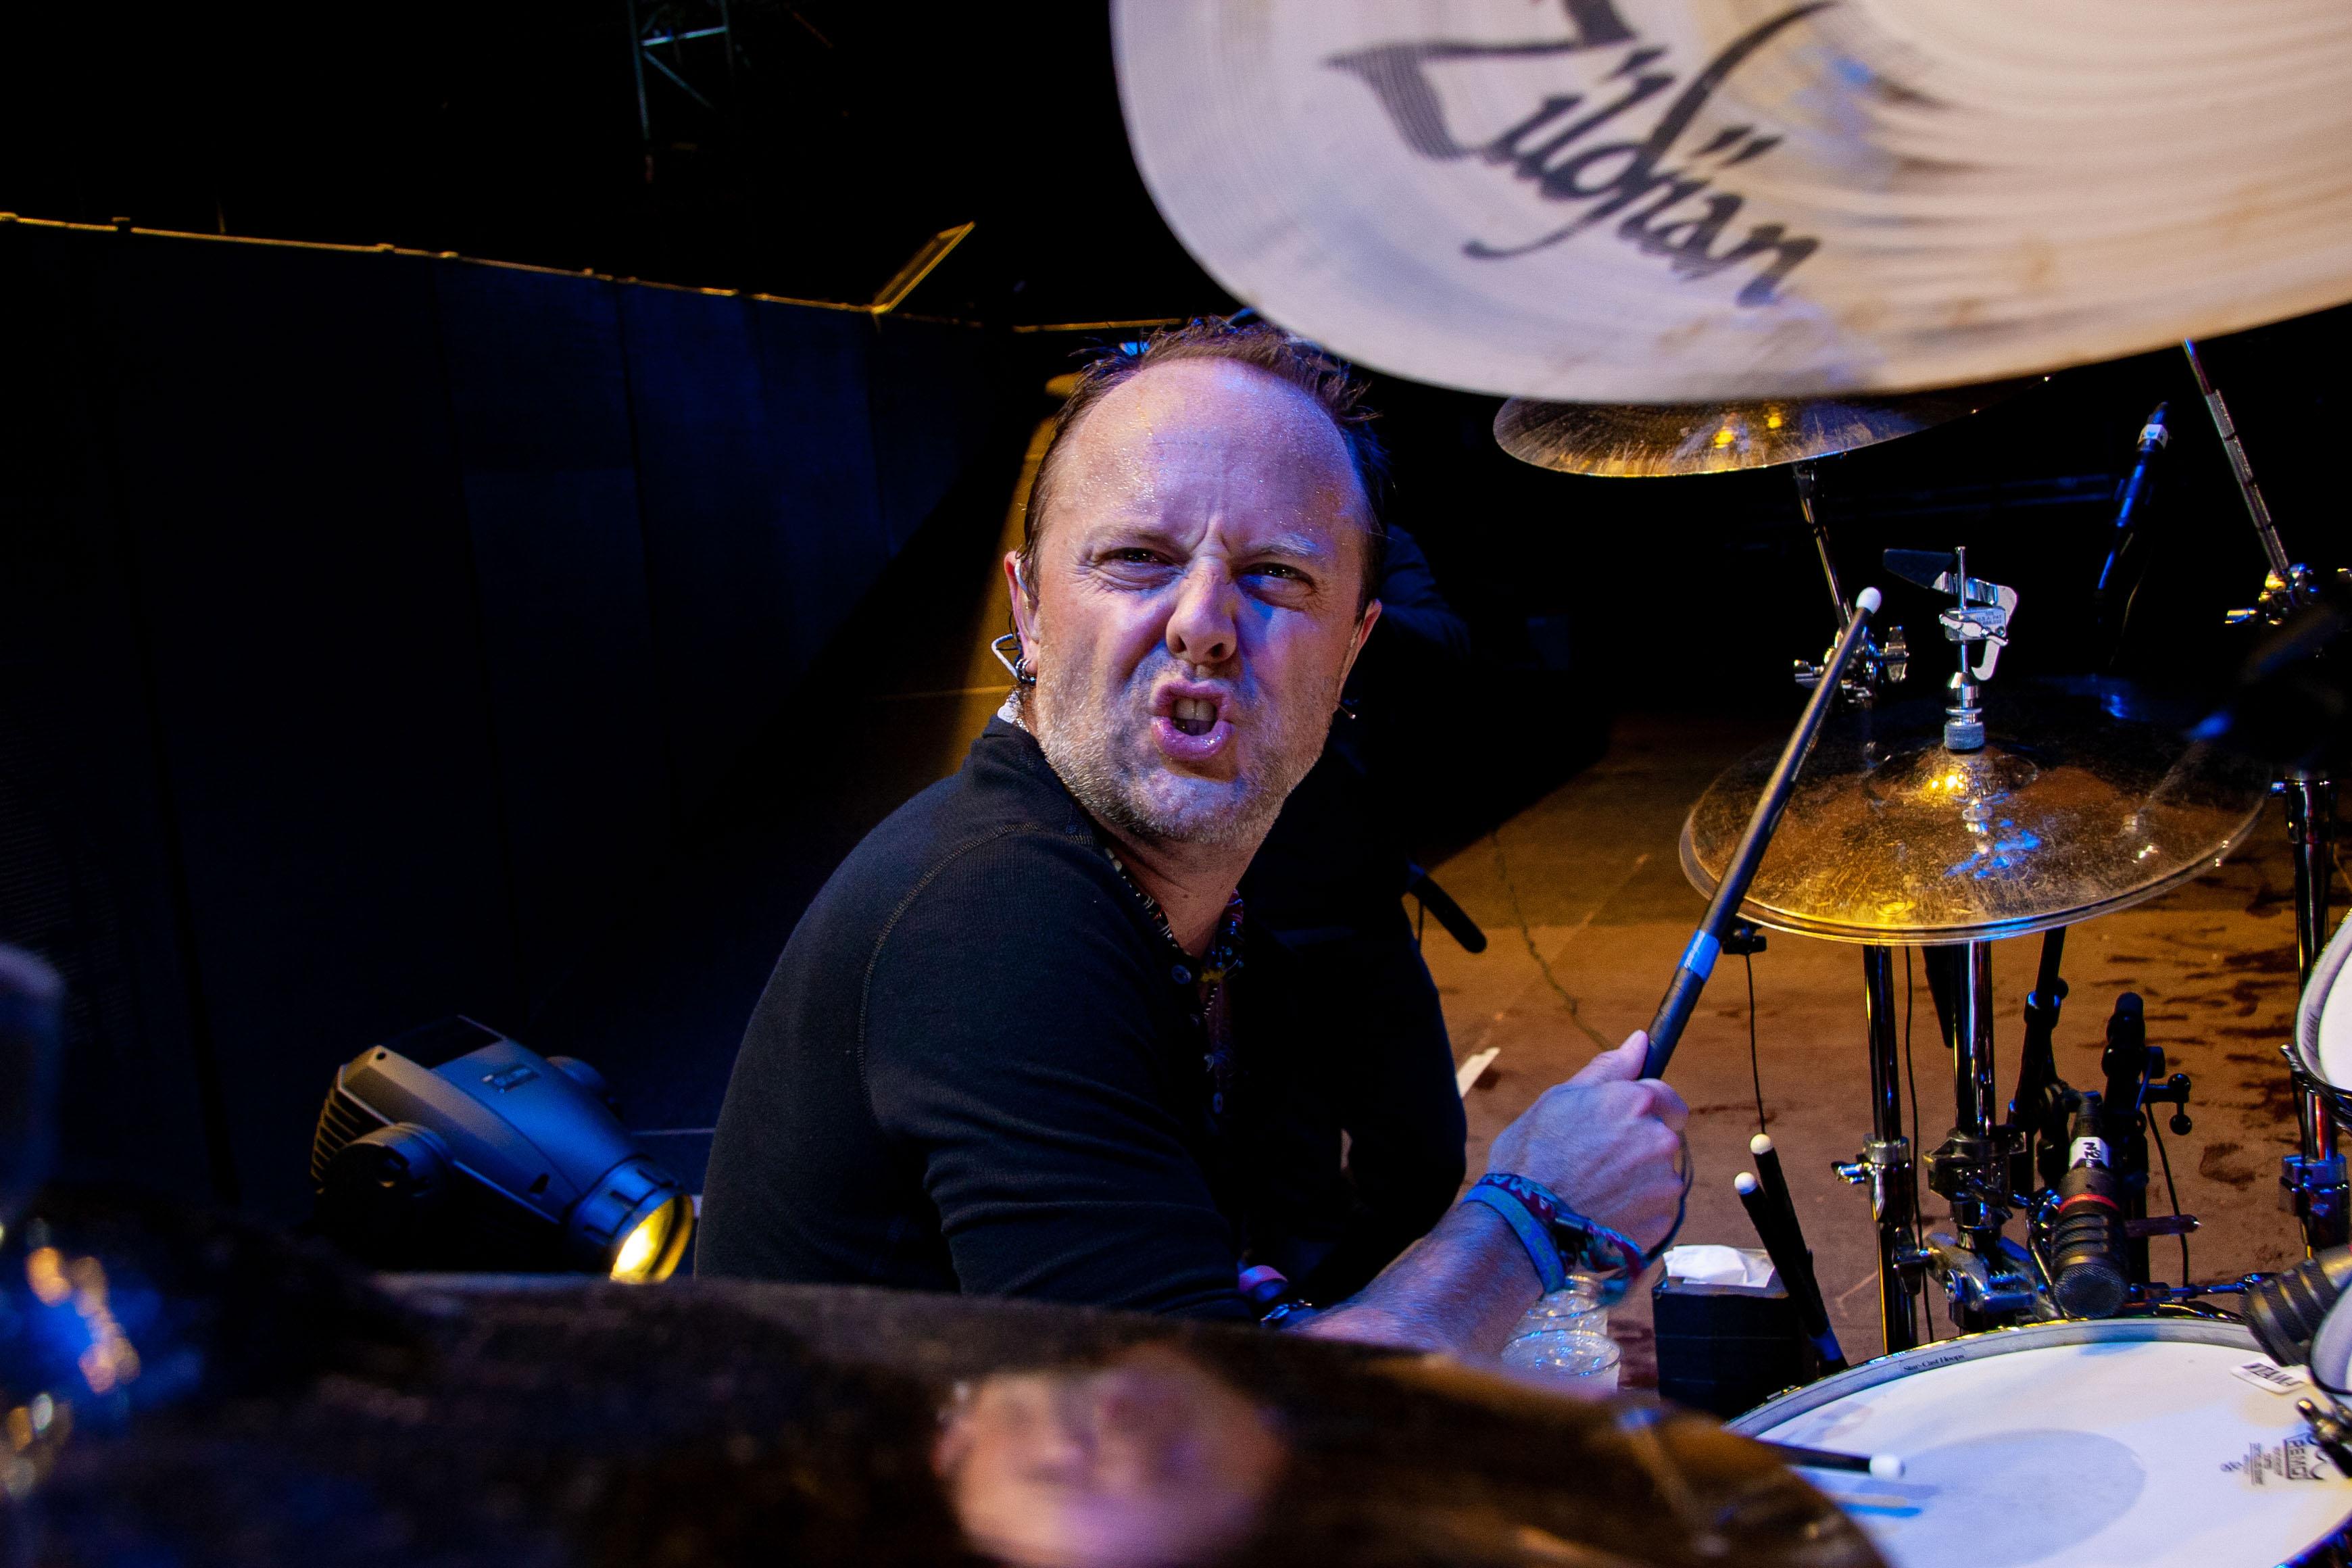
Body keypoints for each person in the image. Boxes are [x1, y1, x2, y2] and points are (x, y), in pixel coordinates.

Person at [697, 319, 1686, 1354]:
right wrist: (1533, 1214)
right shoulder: (993, 916)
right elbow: (1190, 1431)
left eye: (1276, 575)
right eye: (1138, 559)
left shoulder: (1195, 920)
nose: (1203, 622)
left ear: (1353, 649)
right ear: (1031, 609)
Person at [1236, 524, 1475, 1302]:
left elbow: (1445, 641)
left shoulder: (1364, 536)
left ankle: (1337, 1311)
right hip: (1251, 924)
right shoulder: (1223, 539)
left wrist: (1327, 602)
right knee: (1289, 1188)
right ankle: (1309, 1331)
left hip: (1363, 910)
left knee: (1426, 1162)